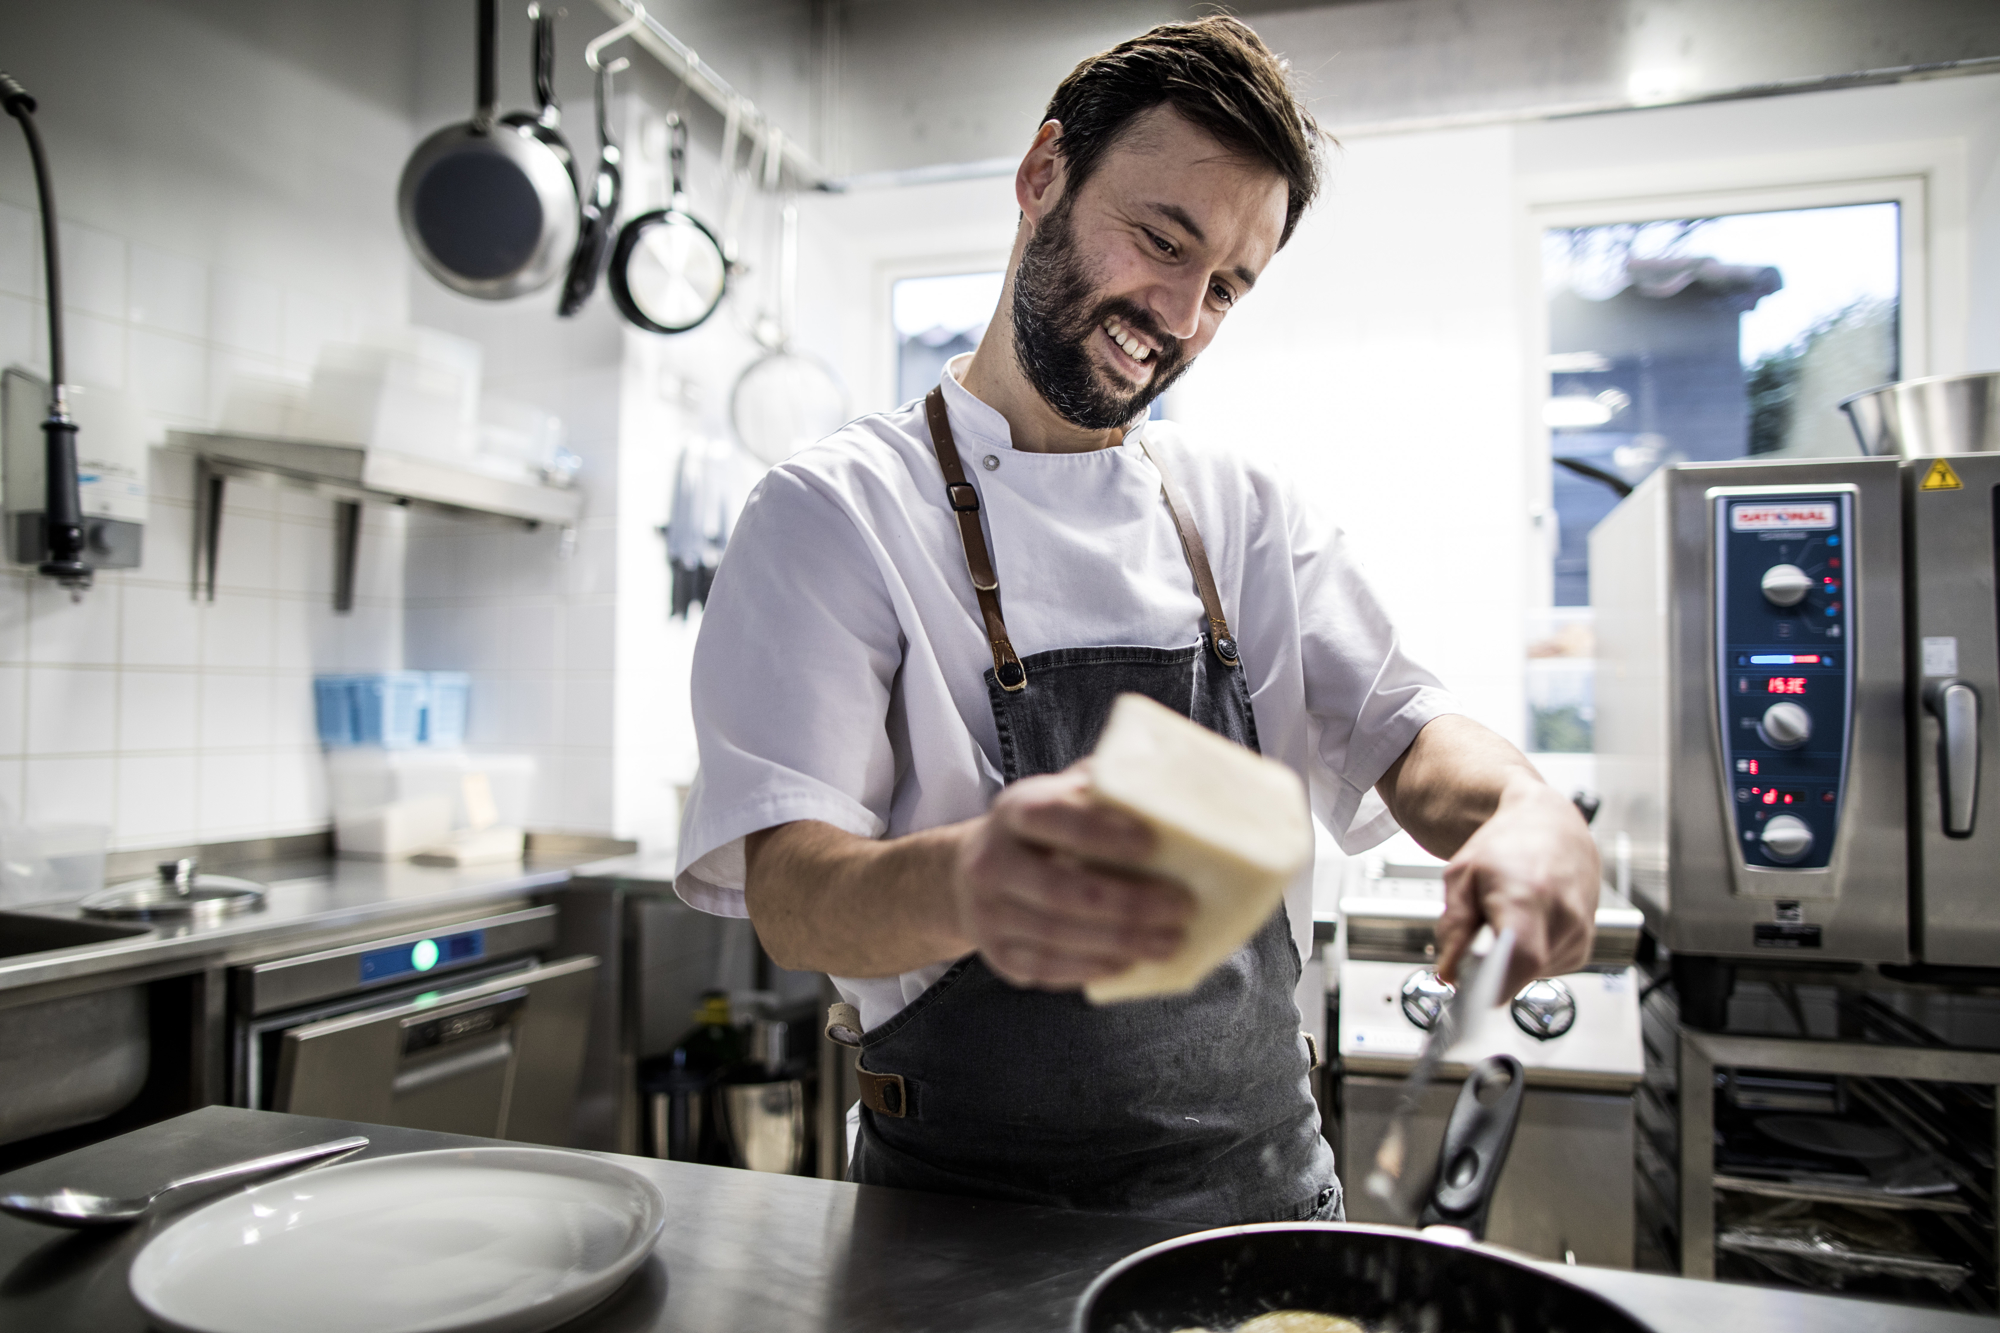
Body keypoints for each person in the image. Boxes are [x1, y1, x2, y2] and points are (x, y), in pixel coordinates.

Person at [673, 16, 1598, 1225]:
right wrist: (971, 878)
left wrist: (1528, 811)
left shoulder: (1242, 513)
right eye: (1162, 241)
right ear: (1041, 172)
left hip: (1265, 1209)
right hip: (958, 1233)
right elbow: (791, 892)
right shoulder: (837, 512)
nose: (1179, 313)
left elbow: (1410, 735)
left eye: (1225, 287)